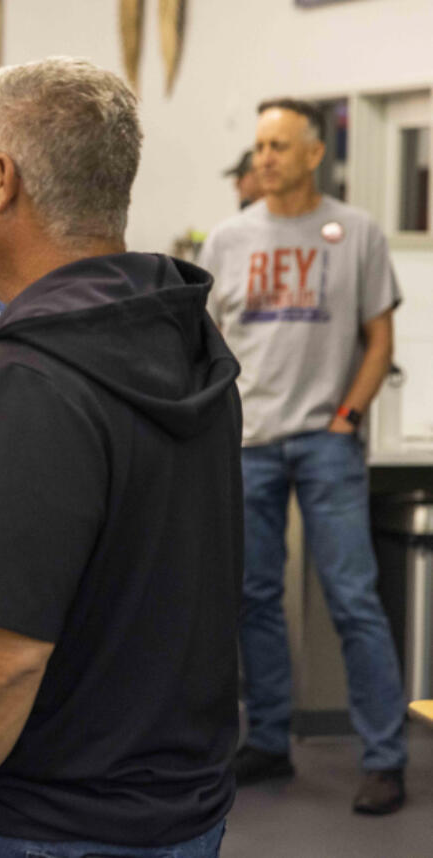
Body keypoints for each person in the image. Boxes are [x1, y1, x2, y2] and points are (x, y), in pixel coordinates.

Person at [0, 57, 242, 858]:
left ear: (2, 181)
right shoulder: (174, 337)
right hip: (172, 806)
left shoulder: (34, 380)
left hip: (39, 823)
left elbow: (1, 655)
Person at [198, 97, 407, 815]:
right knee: (255, 597)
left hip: (326, 442)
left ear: (315, 154)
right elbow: (205, 343)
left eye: (280, 146)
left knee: (353, 599)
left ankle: (384, 756)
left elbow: (380, 338)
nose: (265, 158)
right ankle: (268, 739)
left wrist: (348, 415)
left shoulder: (357, 233)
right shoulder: (227, 239)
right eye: (260, 145)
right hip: (248, 443)